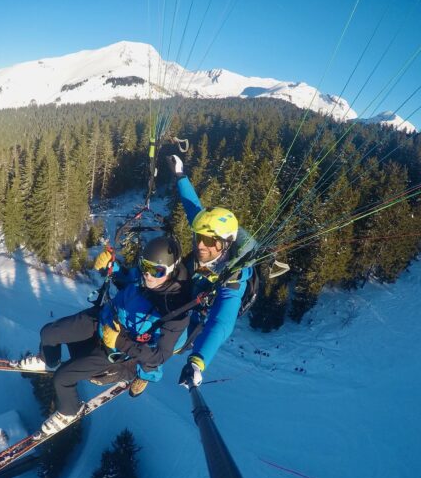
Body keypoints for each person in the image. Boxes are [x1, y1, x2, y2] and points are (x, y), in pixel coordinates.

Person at [19, 236, 191, 435]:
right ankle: (48, 360)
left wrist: (120, 342)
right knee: (48, 333)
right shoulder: (145, 276)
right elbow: (126, 279)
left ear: (171, 270)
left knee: (62, 379)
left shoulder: (175, 310)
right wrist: (111, 266)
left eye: (156, 271)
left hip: (117, 350)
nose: (148, 275)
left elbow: (158, 357)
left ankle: (69, 411)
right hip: (103, 319)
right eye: (144, 266)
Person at [166, 154, 255, 389]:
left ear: (225, 244)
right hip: (184, 293)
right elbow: (193, 208)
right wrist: (180, 175)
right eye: (197, 237)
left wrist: (197, 362)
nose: (200, 245)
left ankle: (142, 368)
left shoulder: (234, 277)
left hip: (193, 320)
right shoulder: (210, 243)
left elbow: (222, 322)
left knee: (168, 342)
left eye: (208, 240)